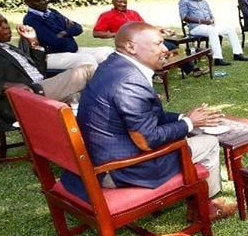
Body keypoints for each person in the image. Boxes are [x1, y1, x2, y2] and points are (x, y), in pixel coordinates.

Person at [62, 22, 236, 220]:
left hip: (101, 155)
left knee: (189, 132)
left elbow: (143, 114)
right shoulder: (129, 81)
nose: (165, 50)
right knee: (210, 143)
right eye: (158, 44)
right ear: (131, 47)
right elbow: (147, 140)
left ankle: (197, 200)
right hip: (121, 169)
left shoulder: (112, 65)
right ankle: (204, 208)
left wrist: (183, 117)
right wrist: (188, 123)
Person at [0, 7, 95, 131]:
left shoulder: (5, 46)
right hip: (20, 99)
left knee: (91, 96)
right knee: (87, 70)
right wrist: (6, 86)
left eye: (5, 22)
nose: (6, 26)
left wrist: (34, 43)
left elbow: (38, 71)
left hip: (41, 89)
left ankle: (93, 139)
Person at [93, 0, 197, 74]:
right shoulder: (106, 16)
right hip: (130, 45)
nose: (123, 4)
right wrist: (116, 34)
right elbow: (96, 33)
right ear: (113, 2)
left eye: (125, 2)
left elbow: (145, 27)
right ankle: (157, 72)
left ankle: (189, 68)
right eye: (120, 2)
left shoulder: (133, 13)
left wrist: (161, 29)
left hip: (145, 40)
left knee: (172, 46)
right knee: (156, 50)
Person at [22, 0, 114, 70]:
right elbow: (54, 43)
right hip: (50, 56)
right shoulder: (31, 20)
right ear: (28, 3)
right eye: (38, 1)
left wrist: (63, 33)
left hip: (71, 50)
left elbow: (78, 28)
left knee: (107, 51)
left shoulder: (53, 12)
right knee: (87, 59)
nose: (43, 2)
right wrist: (68, 33)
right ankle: (97, 86)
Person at [178, 0, 248, 66]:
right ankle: (218, 58)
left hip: (209, 26)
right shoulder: (184, 1)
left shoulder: (204, 2)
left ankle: (237, 54)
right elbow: (184, 17)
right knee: (212, 30)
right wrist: (201, 21)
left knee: (230, 28)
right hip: (196, 27)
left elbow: (211, 15)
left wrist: (211, 20)